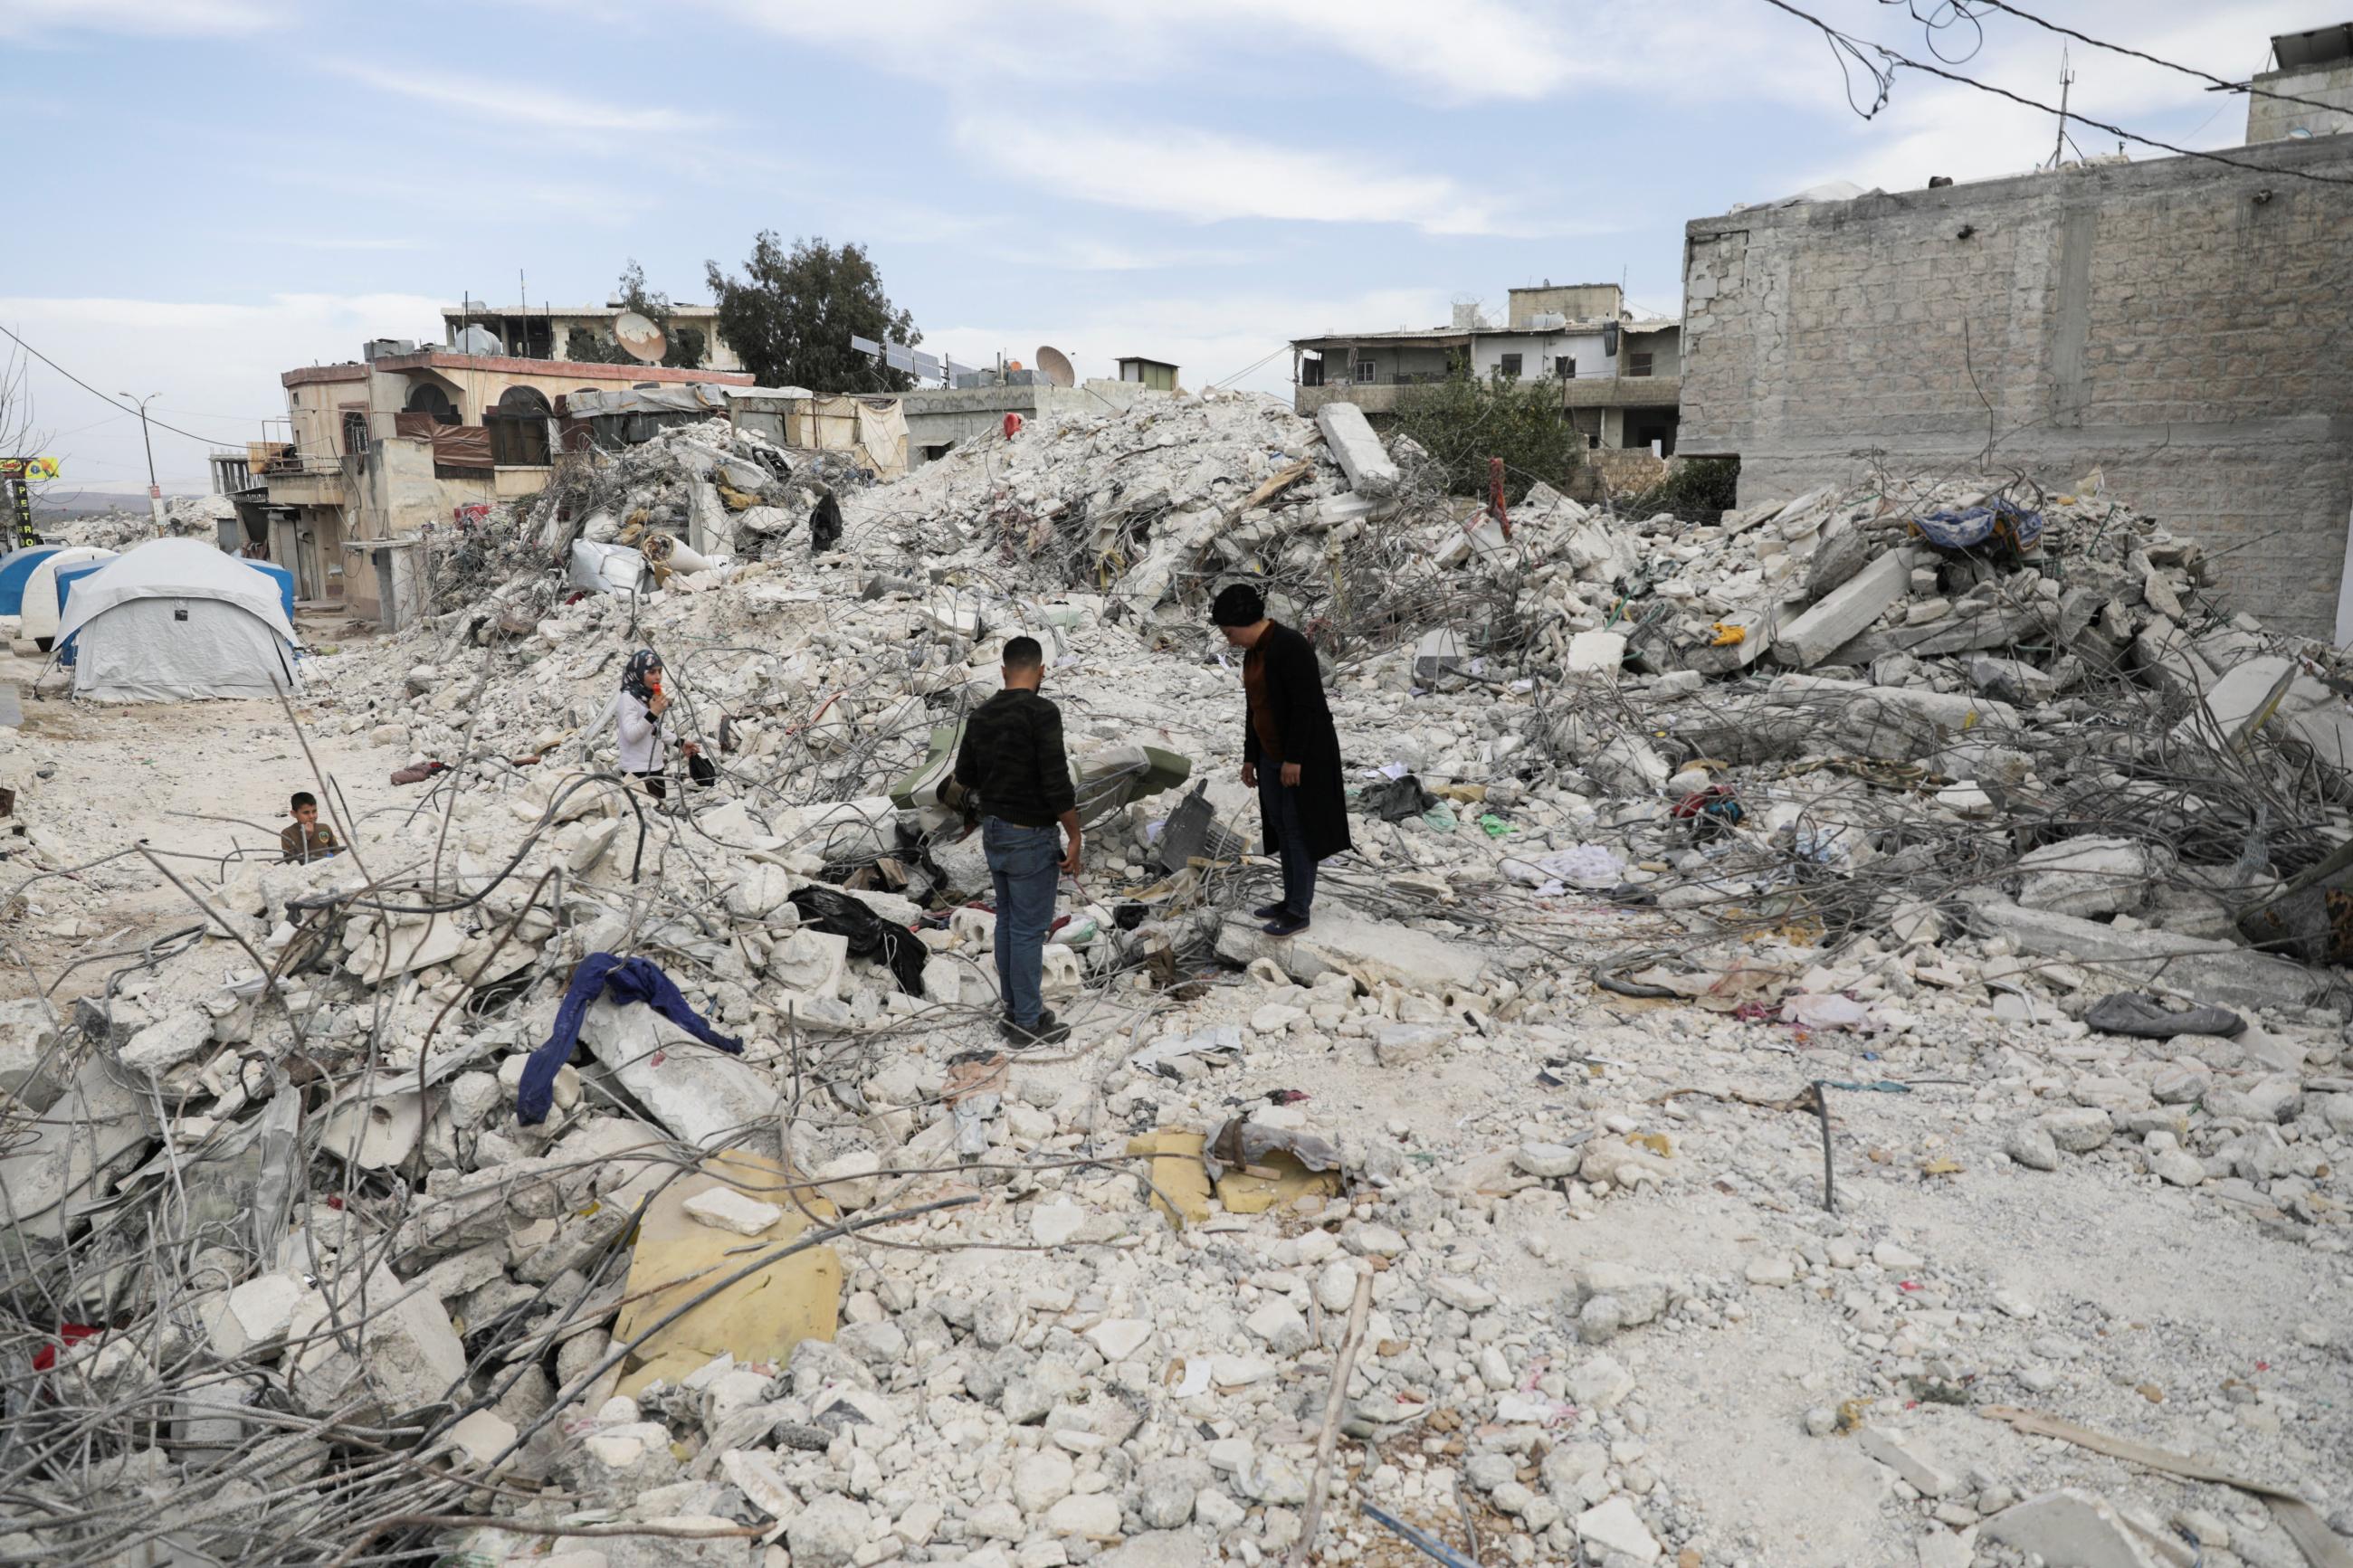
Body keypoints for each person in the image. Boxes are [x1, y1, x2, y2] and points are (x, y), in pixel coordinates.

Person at [954, 636, 1081, 1045]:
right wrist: (1075, 833)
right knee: (1028, 929)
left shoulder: (982, 715)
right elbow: (1056, 781)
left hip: (995, 831)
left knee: (1008, 922)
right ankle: (1028, 1021)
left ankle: (1015, 1009)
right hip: (1030, 834)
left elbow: (966, 777)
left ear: (1004, 671)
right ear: (1041, 672)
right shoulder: (1042, 713)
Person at [1210, 583, 1350, 935]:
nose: (1229, 640)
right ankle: (1289, 900)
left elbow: (1307, 708)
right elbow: (1254, 706)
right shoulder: (1253, 653)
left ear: (1243, 622)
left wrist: (1294, 759)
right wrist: (1249, 756)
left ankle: (1299, 911)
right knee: (1282, 828)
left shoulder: (1289, 647)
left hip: (1302, 757)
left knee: (1300, 830)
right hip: (1270, 755)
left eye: (1229, 632)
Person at [616, 649, 703, 801]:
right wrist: (654, 712)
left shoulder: (646, 696)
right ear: (638, 672)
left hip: (656, 767)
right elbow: (631, 735)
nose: (658, 677)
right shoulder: (628, 698)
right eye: (651, 672)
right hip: (637, 771)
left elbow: (654, 729)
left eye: (660, 671)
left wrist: (680, 743)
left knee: (660, 813)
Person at [280, 791, 341, 864]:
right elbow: (289, 861)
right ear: (294, 814)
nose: (311, 816)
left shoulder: (324, 828)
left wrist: (329, 859)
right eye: (306, 813)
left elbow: (336, 850)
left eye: (314, 811)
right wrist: (306, 838)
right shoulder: (287, 833)